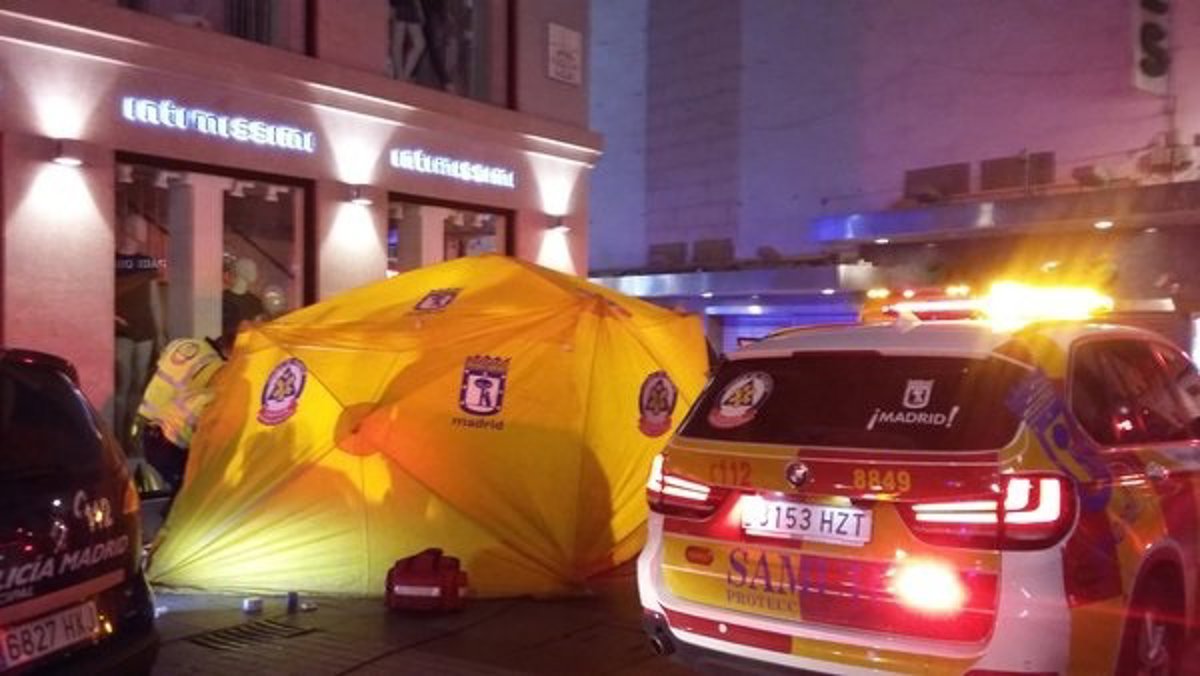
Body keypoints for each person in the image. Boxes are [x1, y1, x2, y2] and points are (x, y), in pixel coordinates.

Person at [136, 332, 230, 495]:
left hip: (151, 419)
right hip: (172, 437)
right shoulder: (217, 368)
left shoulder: (182, 344)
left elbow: (157, 370)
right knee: (189, 490)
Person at [115, 212, 165, 453]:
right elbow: (101, 293)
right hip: (121, 329)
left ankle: (131, 438)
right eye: (139, 226)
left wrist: (160, 332)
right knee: (122, 384)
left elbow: (154, 300)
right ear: (128, 228)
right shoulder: (112, 261)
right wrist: (110, 316)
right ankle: (117, 437)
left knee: (138, 385)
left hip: (145, 329)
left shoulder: (147, 262)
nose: (144, 231)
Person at [222, 257, 266, 340]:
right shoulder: (222, 299)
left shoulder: (256, 302)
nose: (256, 273)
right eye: (253, 269)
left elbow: (259, 330)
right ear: (242, 271)